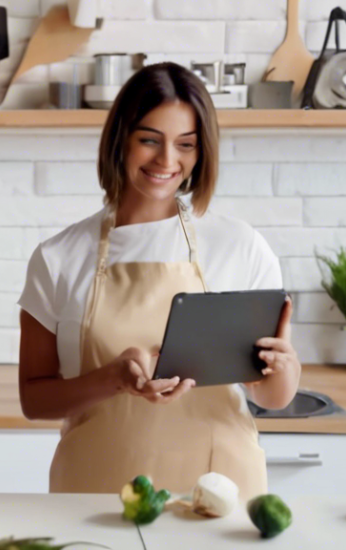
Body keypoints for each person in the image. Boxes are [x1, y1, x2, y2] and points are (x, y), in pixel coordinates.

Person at [17, 62, 300, 499]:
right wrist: (112, 378)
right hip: (97, 495)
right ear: (121, 140)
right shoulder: (58, 258)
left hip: (217, 494)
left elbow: (273, 395)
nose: (168, 161)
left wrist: (286, 368)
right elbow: (34, 402)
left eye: (185, 145)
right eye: (150, 140)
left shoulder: (240, 247)